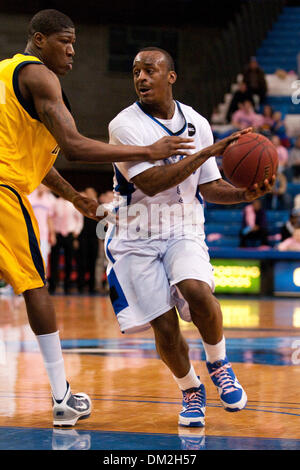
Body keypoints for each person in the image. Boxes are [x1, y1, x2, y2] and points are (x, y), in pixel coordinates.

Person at [0, 9, 195, 427]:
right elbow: (73, 146)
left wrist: (73, 196)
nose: (72, 51)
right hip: (3, 191)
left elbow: (38, 157)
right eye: (64, 41)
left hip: (10, 182)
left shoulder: (7, 76)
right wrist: (148, 152)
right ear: (38, 40)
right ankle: (61, 397)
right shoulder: (39, 77)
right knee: (36, 288)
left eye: (74, 43)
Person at [104, 47, 274, 427]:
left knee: (197, 290)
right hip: (135, 235)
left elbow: (210, 187)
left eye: (150, 70)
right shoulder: (124, 124)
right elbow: (151, 181)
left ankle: (219, 364)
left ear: (171, 77)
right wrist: (205, 153)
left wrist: (245, 194)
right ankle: (190, 389)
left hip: (183, 227)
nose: (141, 78)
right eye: (136, 72)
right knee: (164, 326)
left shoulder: (197, 122)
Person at [49, 196, 83, 294]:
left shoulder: (73, 203)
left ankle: (67, 286)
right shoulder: (55, 202)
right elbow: (50, 217)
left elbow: (79, 219)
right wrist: (52, 233)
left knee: (69, 260)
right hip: (58, 234)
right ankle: (53, 285)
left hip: (70, 234)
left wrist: (76, 232)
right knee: (54, 261)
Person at [28, 184, 56, 272]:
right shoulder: (29, 197)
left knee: (43, 258)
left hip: (43, 234)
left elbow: (49, 219)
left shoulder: (48, 200)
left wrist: (52, 235)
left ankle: (42, 282)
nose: (42, 187)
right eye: (40, 185)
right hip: (30, 233)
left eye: (44, 186)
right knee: (30, 258)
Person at [77, 187, 99, 294]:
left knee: (93, 262)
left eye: (91, 192)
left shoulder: (98, 205)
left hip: (94, 237)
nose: (89, 193)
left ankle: (92, 286)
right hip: (83, 237)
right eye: (87, 192)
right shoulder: (82, 204)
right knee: (82, 261)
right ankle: (80, 285)